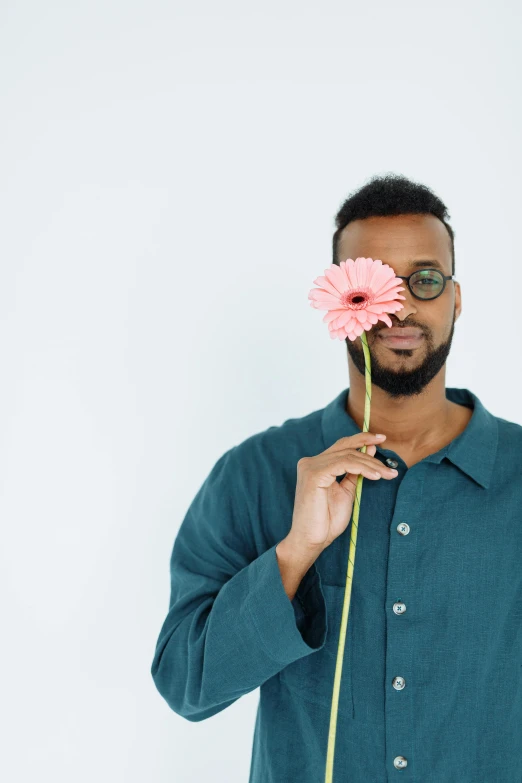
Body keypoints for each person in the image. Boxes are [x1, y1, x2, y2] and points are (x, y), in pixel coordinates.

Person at [150, 173, 522, 782]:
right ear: (338, 302)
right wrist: (295, 556)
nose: (398, 307)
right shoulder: (252, 474)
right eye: (372, 283)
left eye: (425, 280)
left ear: (456, 299)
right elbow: (186, 685)